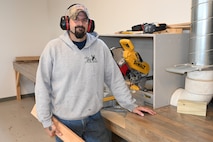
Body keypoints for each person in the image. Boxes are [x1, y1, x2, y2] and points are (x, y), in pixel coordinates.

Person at [35, 3, 156, 142]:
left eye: (84, 20)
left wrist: (131, 105)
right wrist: (46, 120)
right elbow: (42, 86)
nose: (80, 23)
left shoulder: (100, 47)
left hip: (94, 119)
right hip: (66, 122)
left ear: (89, 24)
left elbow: (114, 78)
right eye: (76, 19)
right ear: (67, 22)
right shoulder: (53, 48)